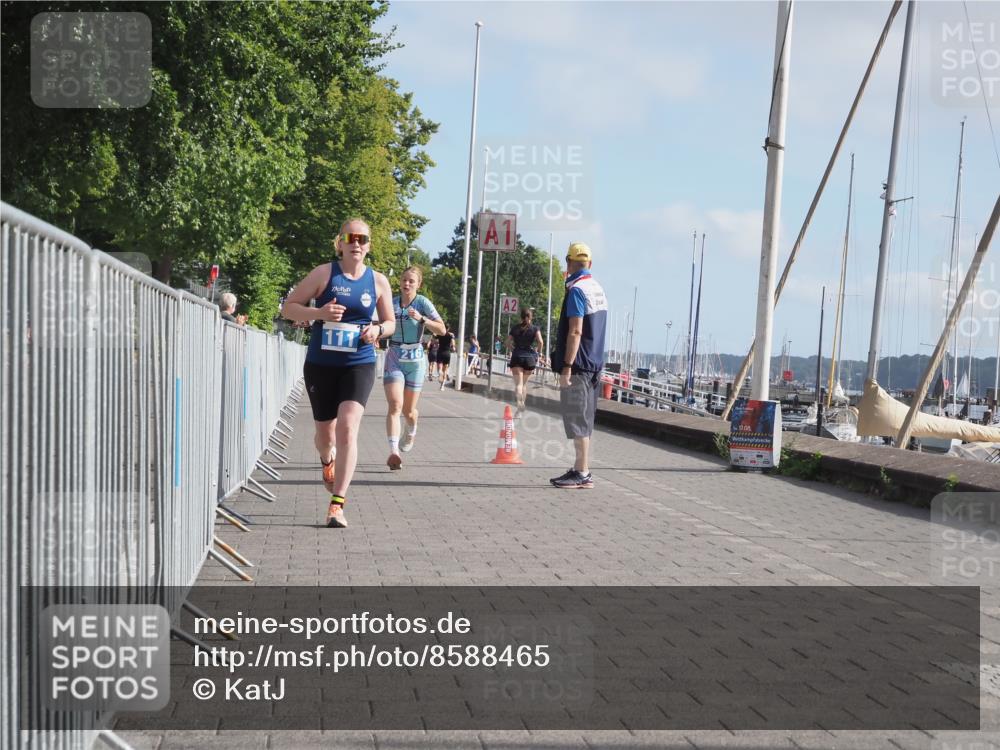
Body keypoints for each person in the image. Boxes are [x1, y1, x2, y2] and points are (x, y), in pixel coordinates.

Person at [281, 218, 395, 527]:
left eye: (362, 238)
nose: (356, 242)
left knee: (347, 427)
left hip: (359, 362)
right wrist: (319, 313)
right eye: (350, 237)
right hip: (321, 365)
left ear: (368, 245)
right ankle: (326, 460)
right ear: (340, 243)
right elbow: (288, 308)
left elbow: (391, 323)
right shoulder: (323, 274)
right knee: (325, 436)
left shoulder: (378, 281)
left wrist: (378, 329)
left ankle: (337, 504)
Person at [549, 242, 608, 489]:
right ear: (590, 264)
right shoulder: (597, 289)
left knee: (577, 420)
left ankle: (582, 472)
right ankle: (580, 468)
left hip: (579, 366)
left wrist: (566, 367)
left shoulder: (577, 291)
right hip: (595, 365)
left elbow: (575, 331)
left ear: (569, 263)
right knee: (585, 419)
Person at [383, 266, 446, 470]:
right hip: (394, 356)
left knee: (409, 411)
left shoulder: (422, 302)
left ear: (419, 284)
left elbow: (442, 329)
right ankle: (394, 452)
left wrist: (422, 319)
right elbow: (379, 322)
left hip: (416, 360)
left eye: (411, 281)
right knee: (394, 406)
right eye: (404, 280)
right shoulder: (391, 303)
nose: (407, 284)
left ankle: (411, 429)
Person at [507, 308, 544, 417]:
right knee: (524, 384)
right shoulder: (535, 328)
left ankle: (519, 403)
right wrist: (538, 352)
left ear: (521, 317)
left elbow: (507, 342)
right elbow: (540, 342)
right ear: (530, 317)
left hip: (517, 356)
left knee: (518, 384)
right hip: (530, 358)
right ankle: (520, 409)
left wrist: (513, 349)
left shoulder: (515, 328)